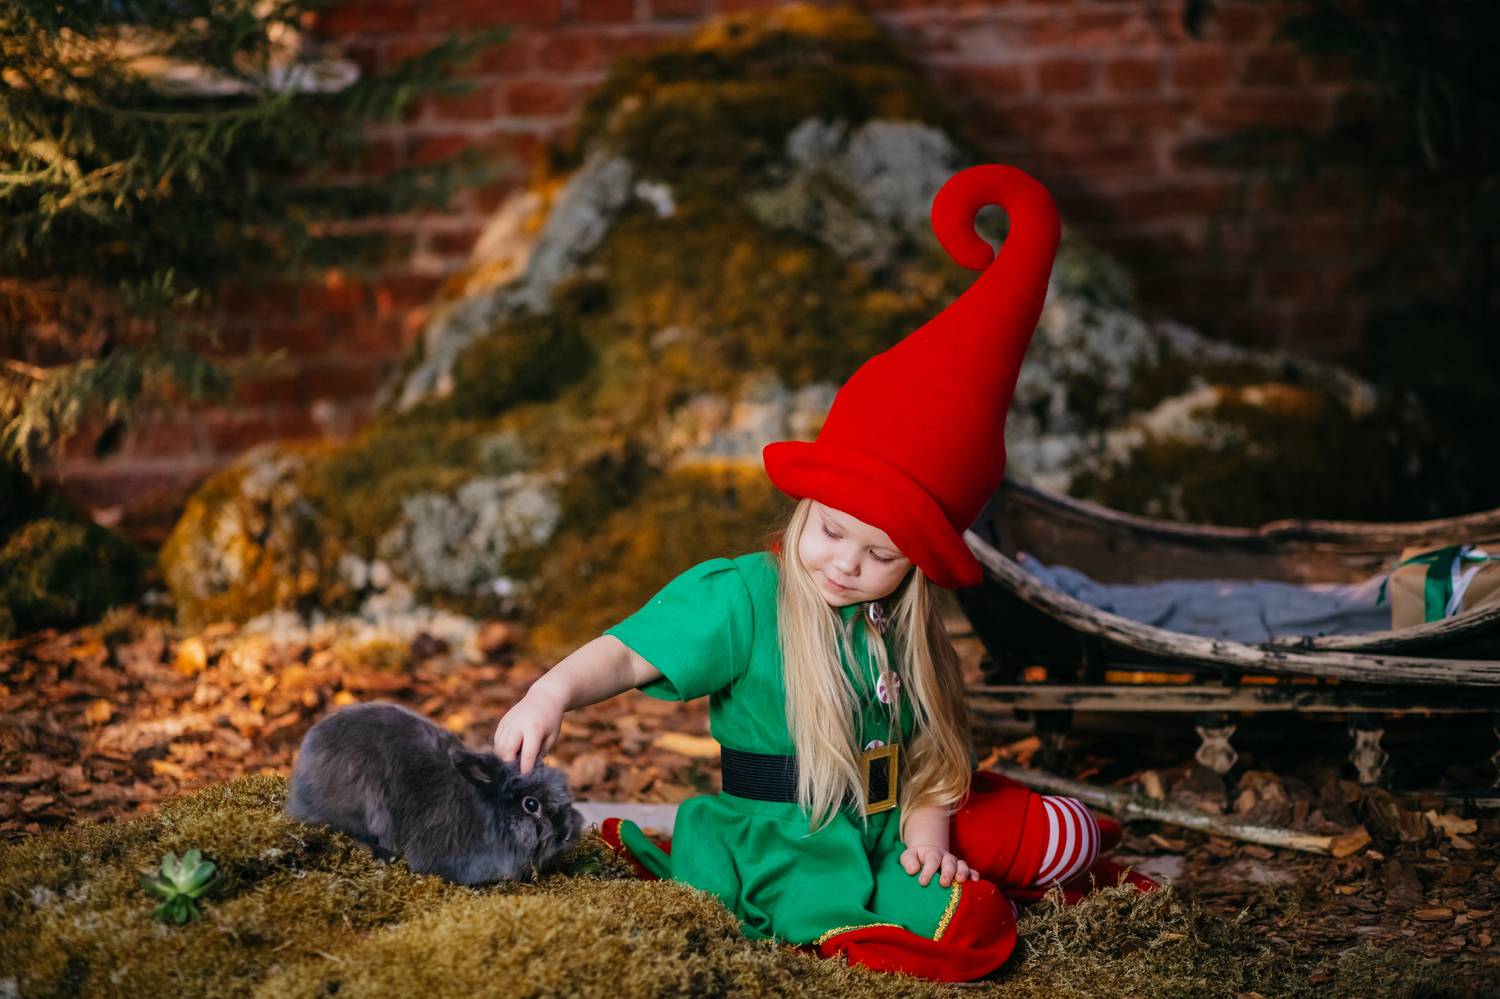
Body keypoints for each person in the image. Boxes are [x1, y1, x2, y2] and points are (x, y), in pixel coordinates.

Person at [493, 164, 1152, 982]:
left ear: (917, 566)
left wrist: (927, 842)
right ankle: (885, 903)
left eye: (881, 555)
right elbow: (630, 653)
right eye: (833, 531)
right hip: (780, 839)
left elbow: (929, 759)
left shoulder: (904, 629)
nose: (846, 563)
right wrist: (550, 692)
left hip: (883, 830)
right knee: (854, 915)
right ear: (805, 507)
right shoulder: (747, 596)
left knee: (969, 905)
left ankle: (1036, 848)